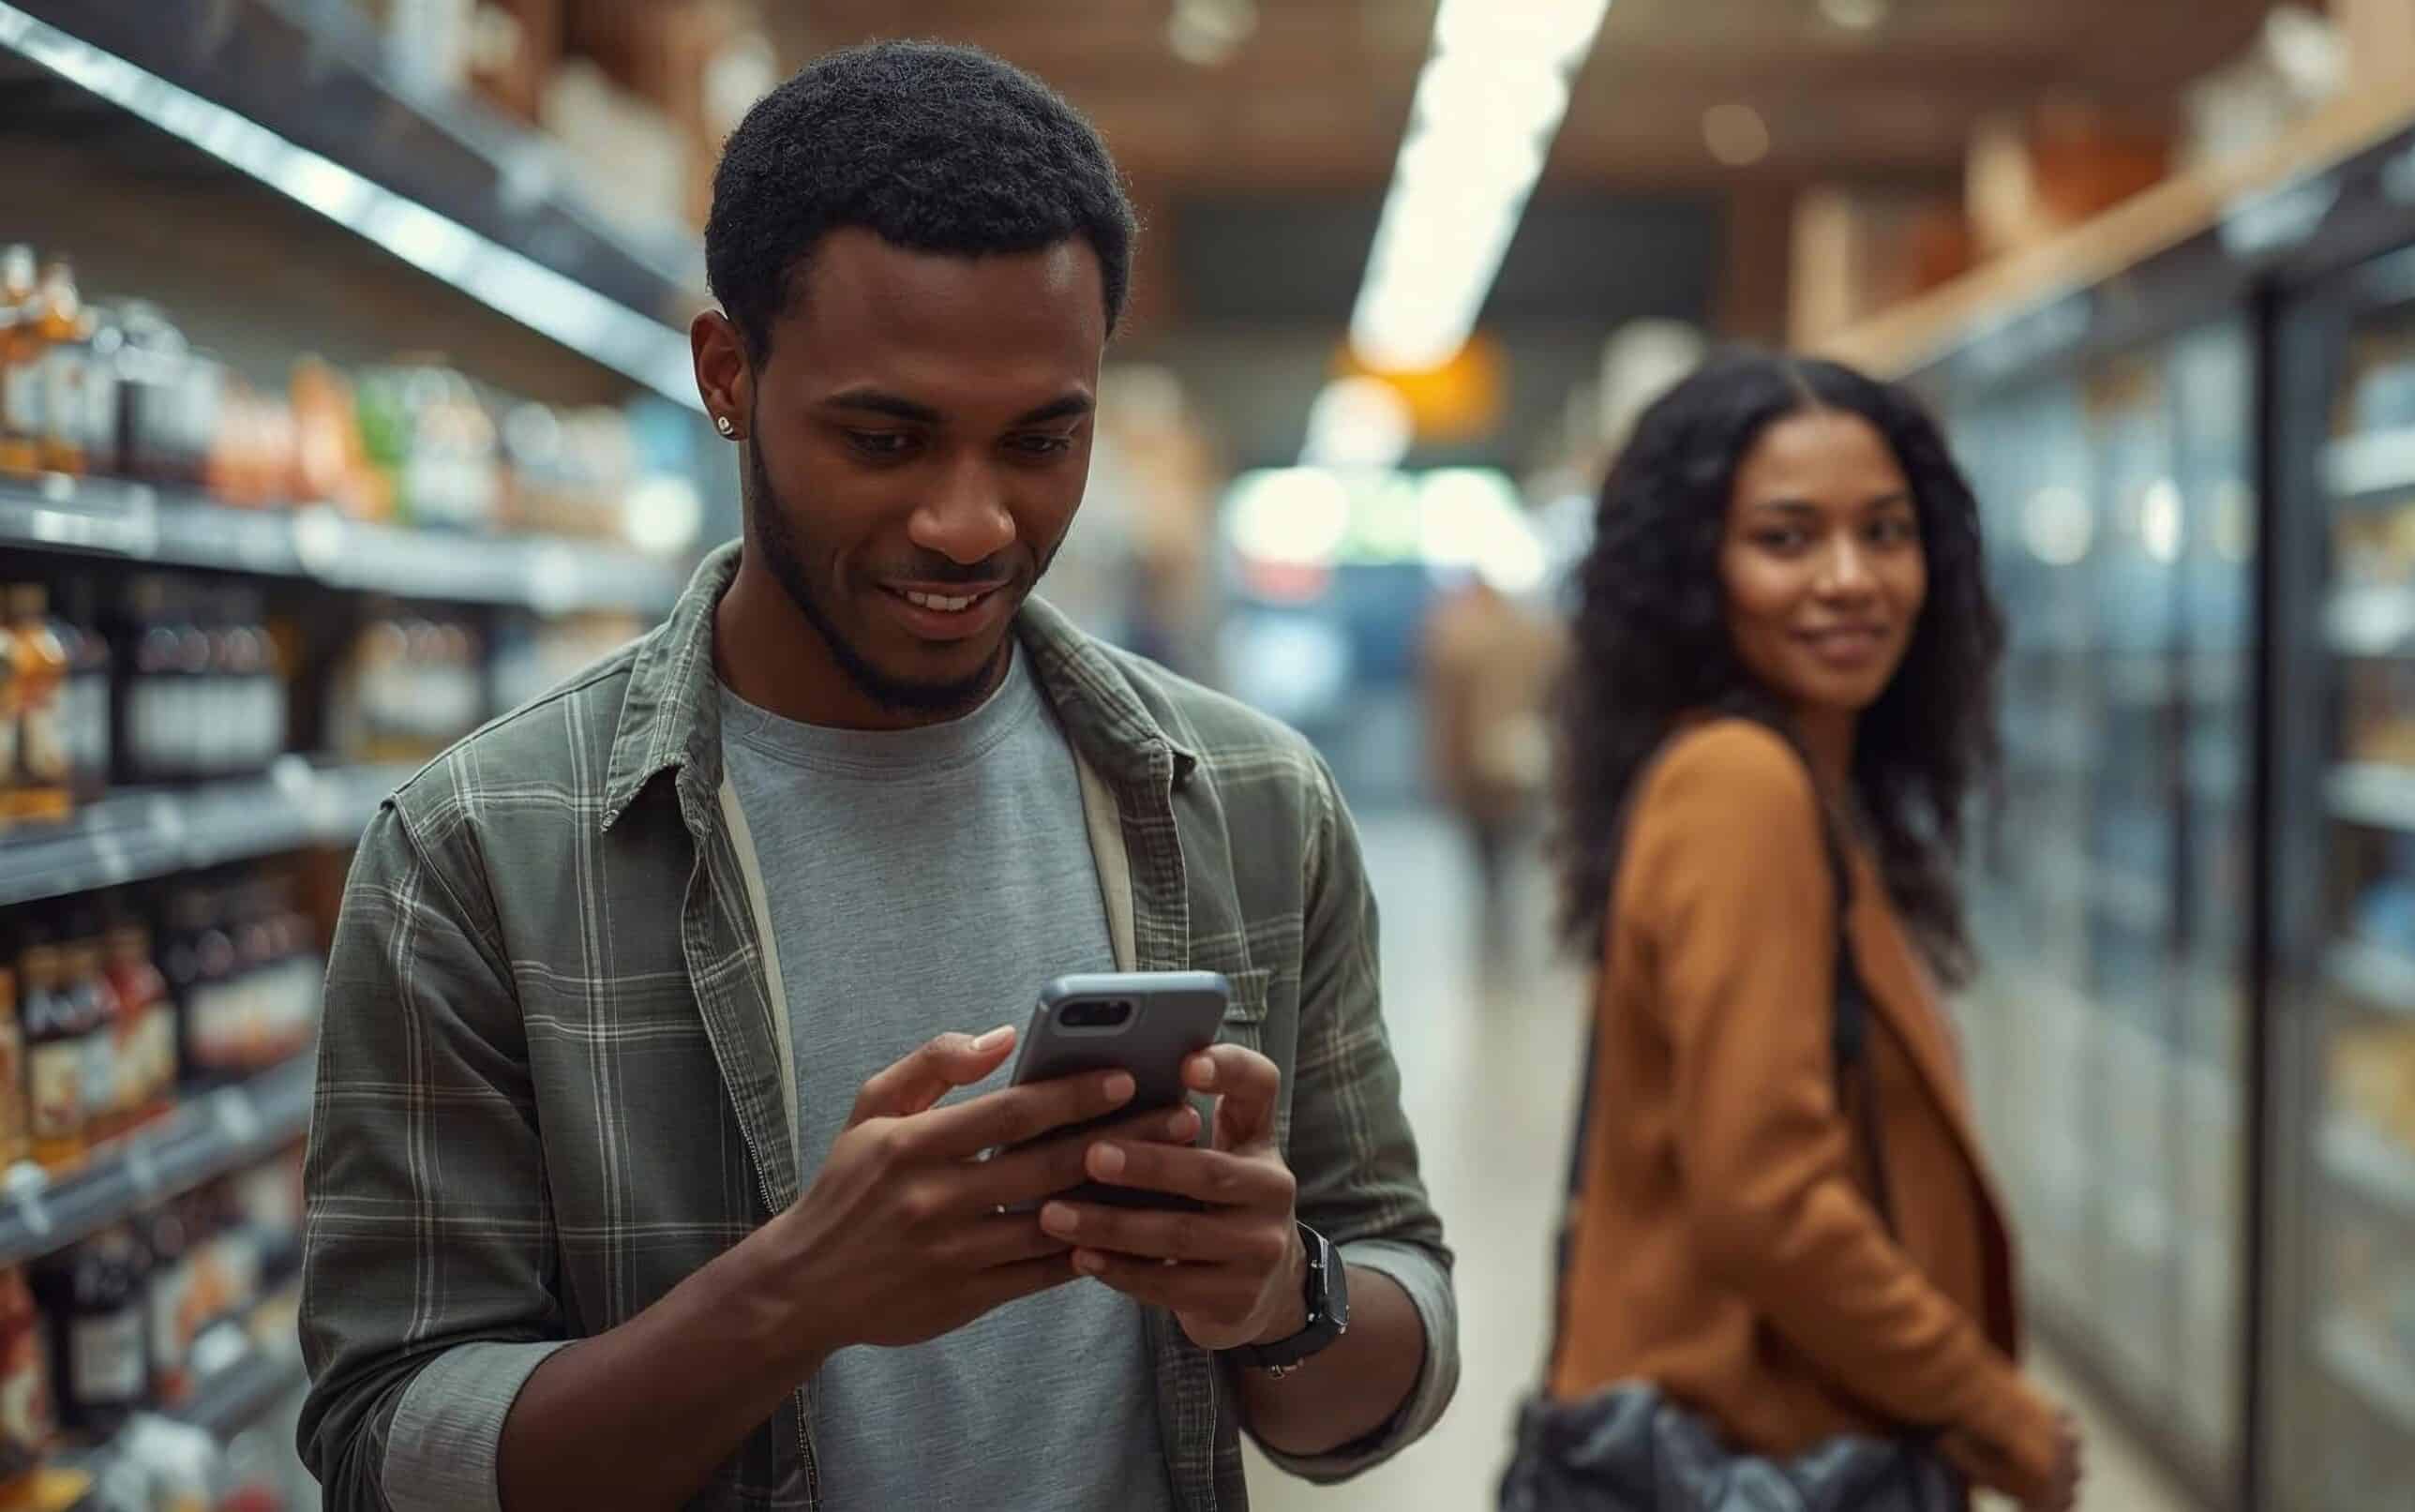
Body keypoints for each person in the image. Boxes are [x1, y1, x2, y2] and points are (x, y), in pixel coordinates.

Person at [297, 42, 1456, 1512]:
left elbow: (1395, 1332)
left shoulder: (1247, 801)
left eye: (1043, 438)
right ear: (729, 375)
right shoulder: (479, 853)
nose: (971, 522)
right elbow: (387, 1451)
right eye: (885, 436)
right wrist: (798, 1292)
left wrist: (1277, 1294)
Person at [1541, 352, 2083, 1509]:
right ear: (1699, 574)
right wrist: (1997, 1407)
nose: (1851, 578)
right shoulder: (1743, 786)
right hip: (1765, 1451)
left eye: (1886, 532)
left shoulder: (1800, 779)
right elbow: (1769, 1200)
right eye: (1786, 539)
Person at [1418, 568, 1565, 978]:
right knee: (1505, 846)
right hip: (1513, 757)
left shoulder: (1452, 636)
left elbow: (1442, 711)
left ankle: (1494, 925)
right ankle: (1500, 924)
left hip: (1476, 763)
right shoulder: (1532, 635)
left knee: (1487, 851)